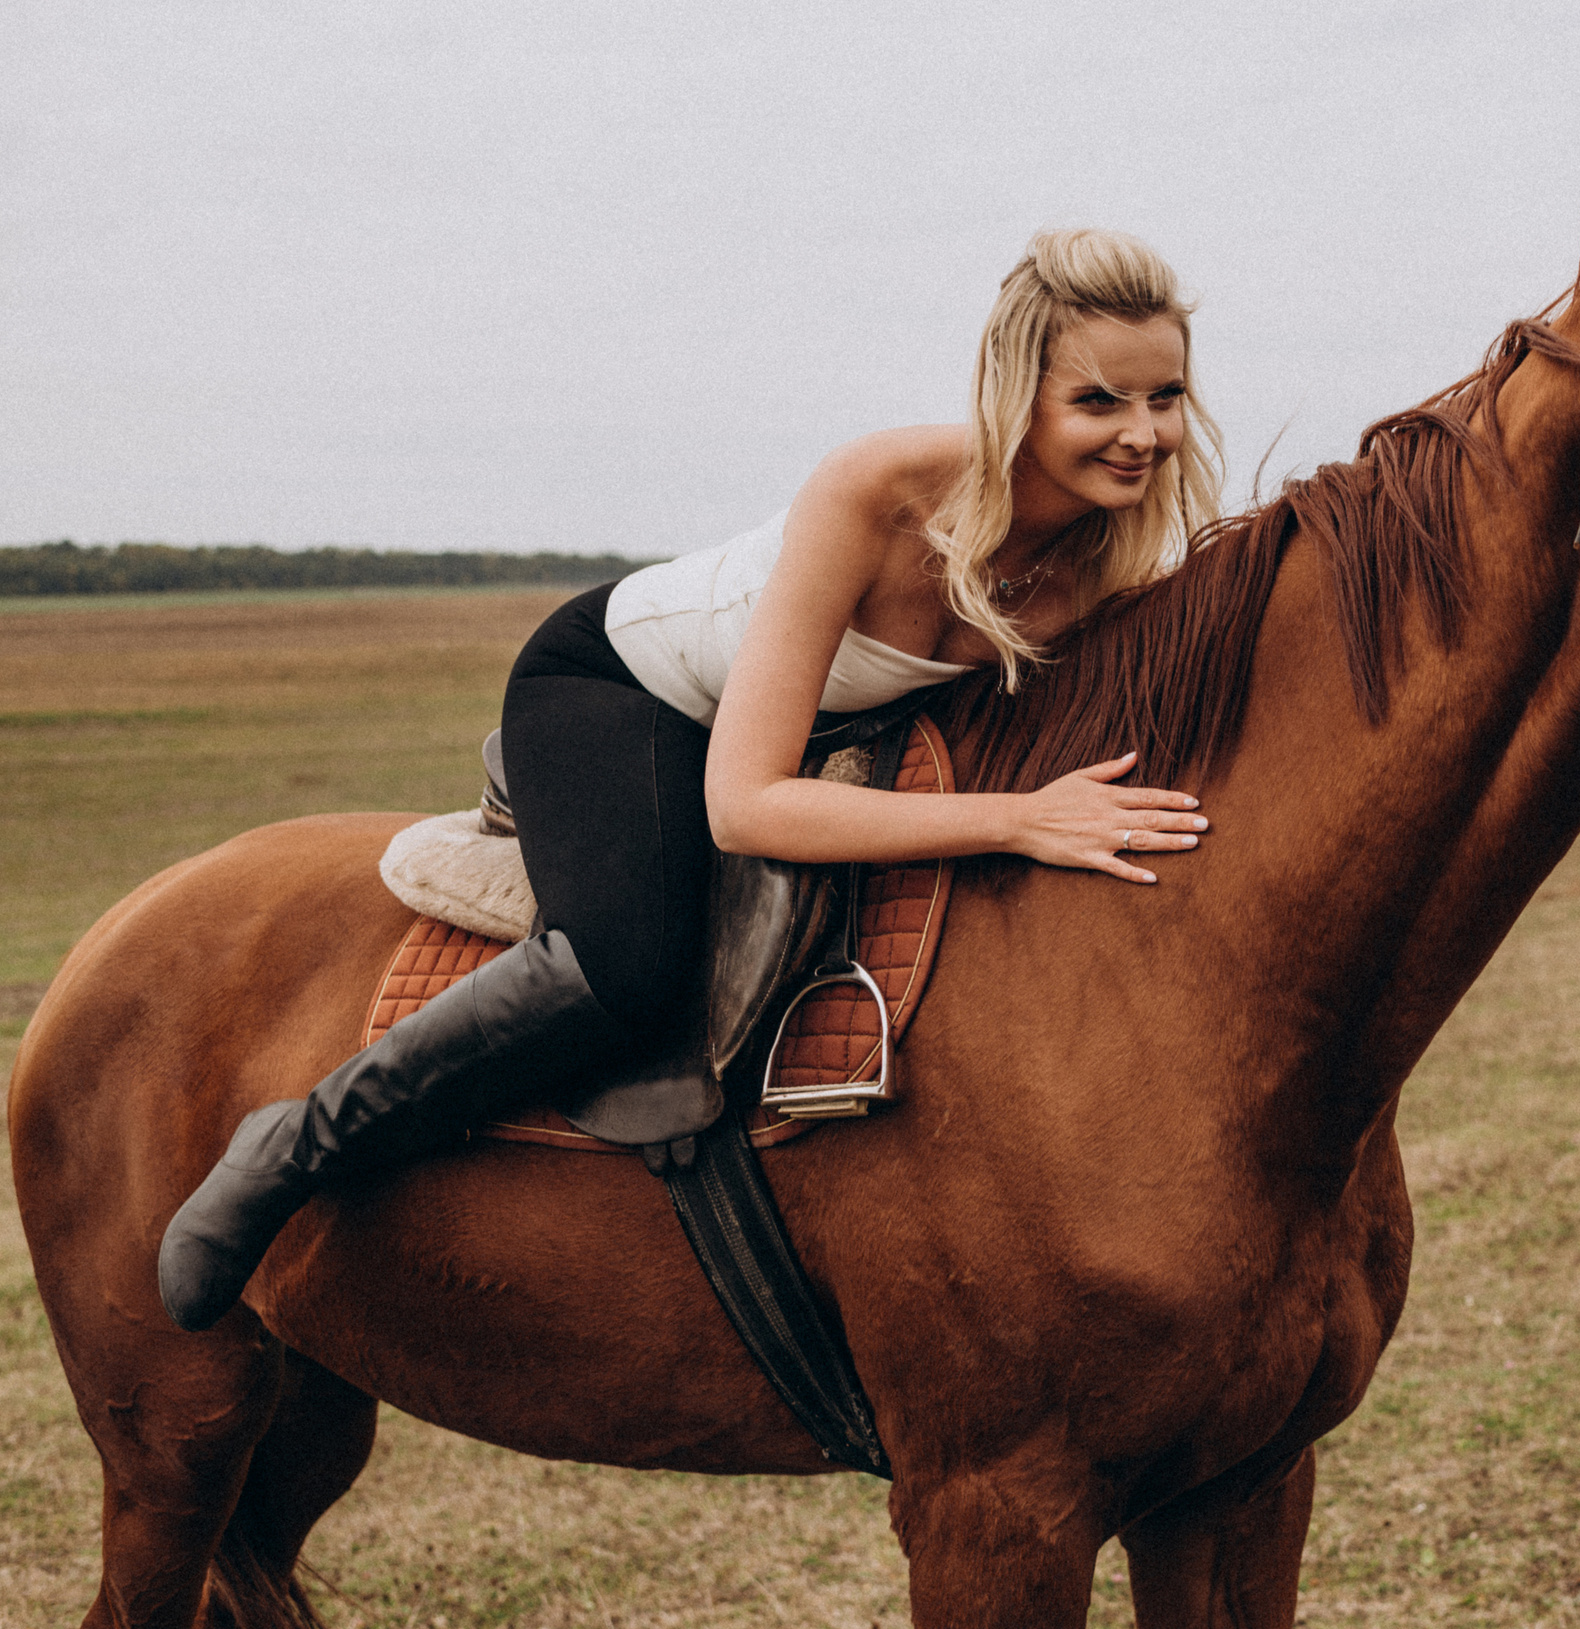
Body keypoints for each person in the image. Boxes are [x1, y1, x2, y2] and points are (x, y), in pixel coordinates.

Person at [159, 229, 1225, 1331]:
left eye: (1166, 397)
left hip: (825, 726)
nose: (1142, 435)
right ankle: (295, 1144)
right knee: (626, 963)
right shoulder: (883, 490)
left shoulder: (1114, 560)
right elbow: (746, 805)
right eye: (1098, 401)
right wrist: (1018, 821)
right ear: (1019, 396)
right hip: (626, 692)